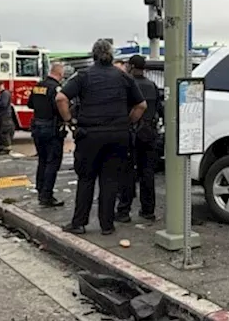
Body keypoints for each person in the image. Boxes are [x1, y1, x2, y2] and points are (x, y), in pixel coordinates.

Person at [55, 39, 146, 236]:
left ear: (94, 55)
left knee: (86, 179)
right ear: (111, 55)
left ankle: (79, 223)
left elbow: (61, 98)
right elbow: (141, 106)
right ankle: (107, 225)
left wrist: (70, 121)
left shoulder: (84, 76)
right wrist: (128, 122)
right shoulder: (123, 77)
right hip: (118, 136)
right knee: (110, 180)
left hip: (89, 135)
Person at [116, 54, 162, 223]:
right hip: (149, 133)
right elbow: (159, 108)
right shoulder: (152, 86)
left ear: (132, 67)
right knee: (147, 173)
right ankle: (148, 210)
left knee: (127, 173)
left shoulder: (127, 85)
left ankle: (123, 211)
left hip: (131, 132)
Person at [28, 62, 66, 207]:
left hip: (37, 127)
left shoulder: (38, 86)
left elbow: (30, 104)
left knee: (42, 160)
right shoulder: (56, 88)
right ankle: (47, 195)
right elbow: (59, 107)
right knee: (53, 162)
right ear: (60, 74)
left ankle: (40, 190)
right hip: (51, 128)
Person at [0, 85, 15, 152]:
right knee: (0, 131)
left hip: (5, 116)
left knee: (4, 131)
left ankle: (7, 148)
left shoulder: (5, 94)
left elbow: (4, 104)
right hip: (2, 115)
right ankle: (2, 147)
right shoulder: (2, 94)